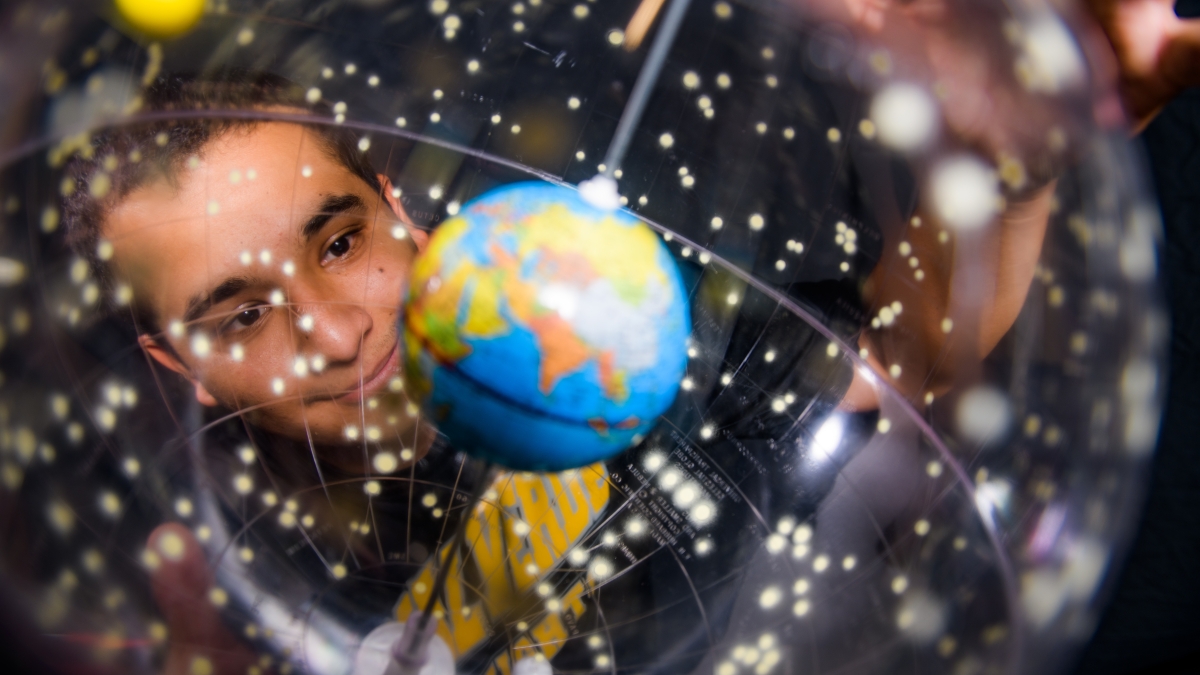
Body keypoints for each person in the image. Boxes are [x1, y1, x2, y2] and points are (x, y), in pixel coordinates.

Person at [57, 0, 1198, 671]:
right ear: (176, 365)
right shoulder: (200, 588)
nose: (338, 329)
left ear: (402, 211)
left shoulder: (590, 324)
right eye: (243, 315)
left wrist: (1016, 165)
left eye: (341, 241)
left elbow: (905, 360)